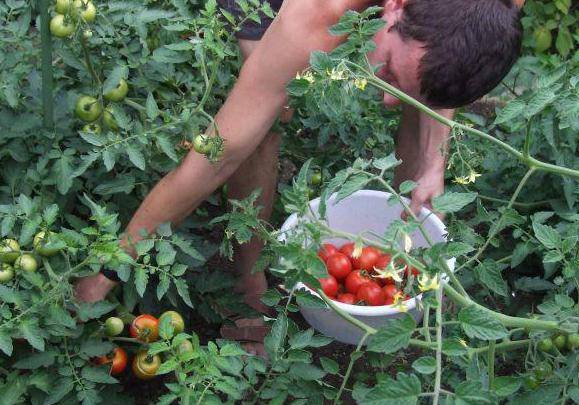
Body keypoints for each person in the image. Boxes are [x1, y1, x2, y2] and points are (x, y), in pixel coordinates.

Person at [75, 0, 524, 354]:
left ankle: (409, 269)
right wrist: (106, 272)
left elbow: (445, 64)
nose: (385, 99)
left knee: (419, 102)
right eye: (386, 69)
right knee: (258, 127)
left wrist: (435, 160)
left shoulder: (496, 9)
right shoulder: (316, 14)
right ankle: (249, 289)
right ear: (396, 5)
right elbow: (216, 155)